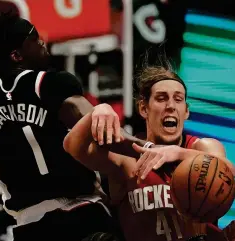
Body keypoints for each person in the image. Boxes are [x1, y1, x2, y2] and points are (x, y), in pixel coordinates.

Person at [0, 11, 147, 241]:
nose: (42, 41)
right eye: (34, 39)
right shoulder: (50, 83)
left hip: (30, 227)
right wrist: (150, 148)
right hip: (84, 214)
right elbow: (105, 132)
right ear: (16, 55)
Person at [64, 58, 235, 241]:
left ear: (186, 111)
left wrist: (176, 152)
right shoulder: (127, 159)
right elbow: (73, 146)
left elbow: (228, 170)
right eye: (161, 98)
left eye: (178, 99)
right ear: (143, 108)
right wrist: (97, 112)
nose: (170, 106)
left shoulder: (203, 146)